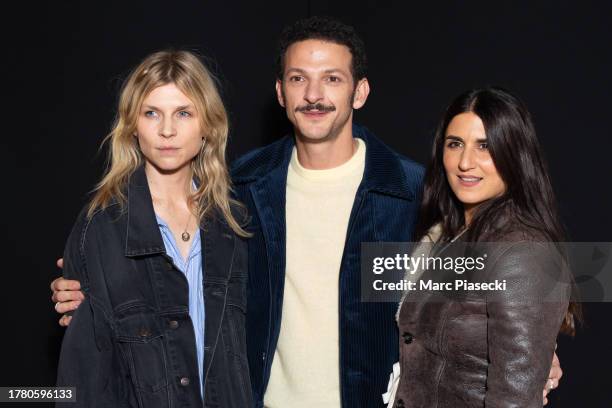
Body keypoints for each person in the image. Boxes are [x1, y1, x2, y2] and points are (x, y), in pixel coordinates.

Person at [51, 18, 562, 407]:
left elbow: (517, 274)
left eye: (332, 80)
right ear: (280, 92)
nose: (314, 95)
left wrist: (528, 347)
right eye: (298, 79)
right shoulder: (241, 189)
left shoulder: (413, 189)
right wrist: (90, 292)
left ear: (359, 91)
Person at [55, 50, 252, 407]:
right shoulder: (100, 228)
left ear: (207, 125)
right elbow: (83, 378)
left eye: (184, 113)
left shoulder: (234, 225)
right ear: (133, 125)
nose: (167, 130)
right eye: (151, 113)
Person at [390, 87, 578, 407]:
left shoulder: (522, 251)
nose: (465, 162)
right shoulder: (446, 235)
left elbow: (514, 398)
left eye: (485, 146)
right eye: (455, 144)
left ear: (513, 153)